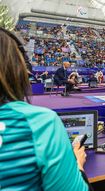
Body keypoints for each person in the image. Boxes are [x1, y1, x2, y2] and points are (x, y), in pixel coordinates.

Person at [0, 28, 93, 190]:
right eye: (67, 63)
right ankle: (66, 92)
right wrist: (78, 165)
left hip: (63, 80)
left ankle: (67, 91)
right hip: (58, 81)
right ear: (21, 67)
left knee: (71, 83)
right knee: (69, 83)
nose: (68, 65)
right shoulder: (43, 123)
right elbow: (59, 78)